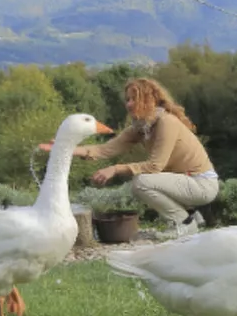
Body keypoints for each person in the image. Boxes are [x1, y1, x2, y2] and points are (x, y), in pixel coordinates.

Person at [75, 78, 218, 238]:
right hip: (185, 181)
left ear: (149, 99)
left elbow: (155, 166)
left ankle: (184, 223)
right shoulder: (142, 127)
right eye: (127, 99)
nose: (129, 104)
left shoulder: (166, 122)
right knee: (144, 181)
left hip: (202, 184)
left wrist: (115, 169)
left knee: (142, 182)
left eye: (134, 98)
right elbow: (106, 149)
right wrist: (68, 149)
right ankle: (192, 216)